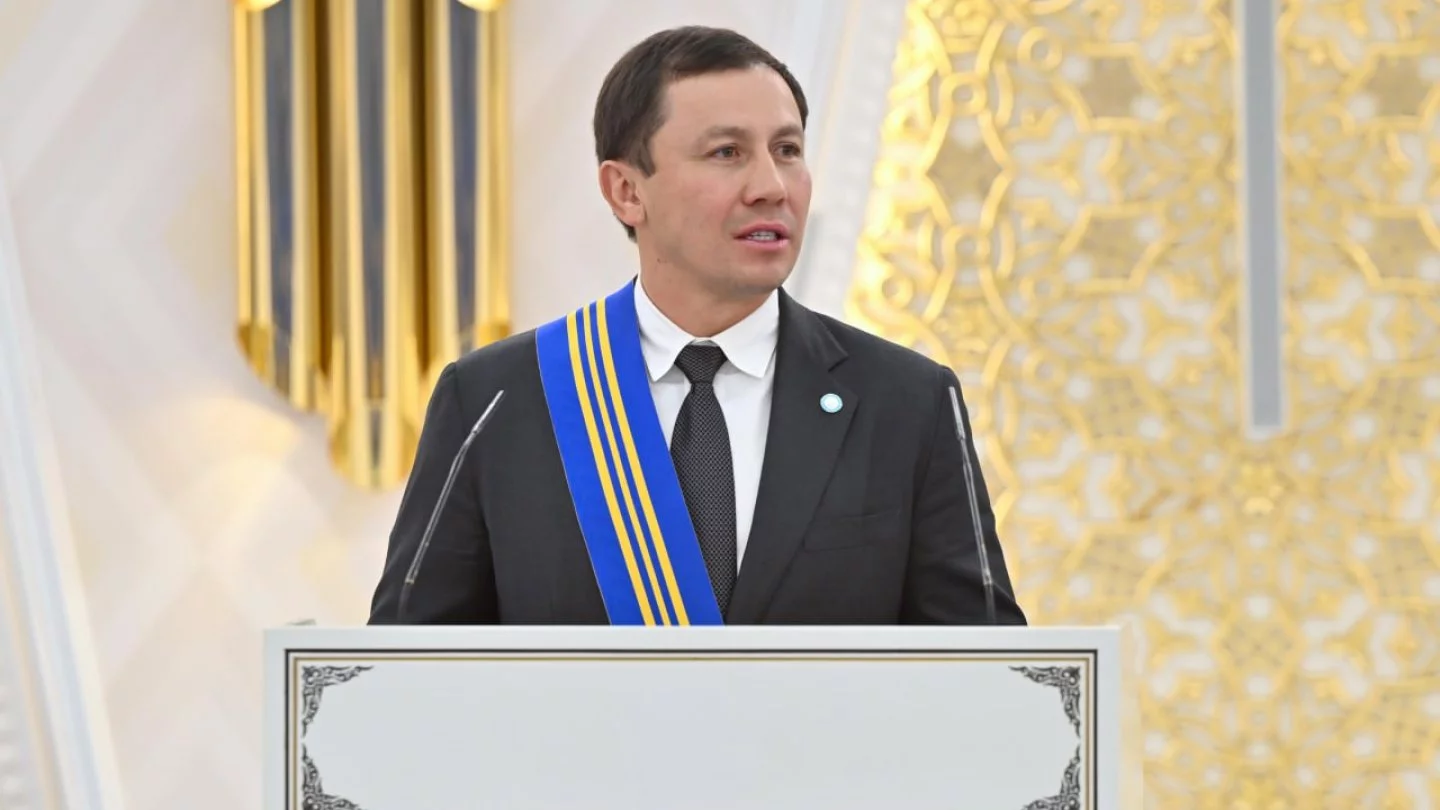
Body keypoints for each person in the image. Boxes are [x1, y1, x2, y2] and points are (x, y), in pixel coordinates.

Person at [367, 26, 1025, 626]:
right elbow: (401, 674)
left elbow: (990, 674)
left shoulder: (908, 402)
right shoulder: (497, 400)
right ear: (626, 191)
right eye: (726, 152)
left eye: (788, 150)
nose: (772, 186)